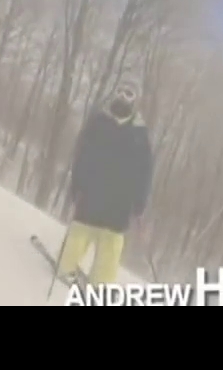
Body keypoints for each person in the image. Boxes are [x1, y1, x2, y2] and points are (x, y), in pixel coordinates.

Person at [58, 80, 154, 286]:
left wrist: (139, 204)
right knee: (80, 232)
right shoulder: (98, 122)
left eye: (129, 93)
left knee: (111, 245)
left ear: (135, 99)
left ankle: (100, 284)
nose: (123, 96)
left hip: (120, 202)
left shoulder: (139, 133)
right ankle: (66, 267)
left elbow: (145, 171)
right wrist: (76, 185)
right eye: (120, 91)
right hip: (92, 192)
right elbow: (82, 155)